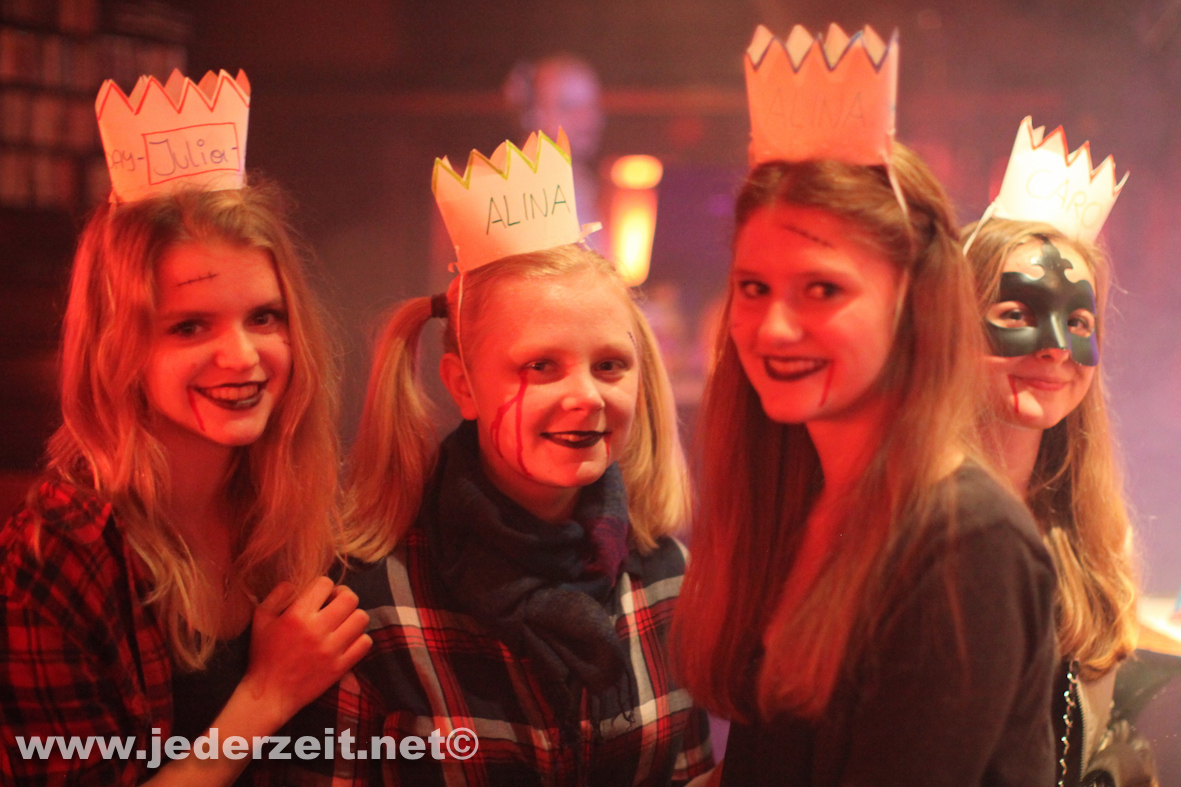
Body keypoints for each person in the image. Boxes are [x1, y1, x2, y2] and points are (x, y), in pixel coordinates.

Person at [672, 138, 1060, 783]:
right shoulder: (801, 503)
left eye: (822, 289)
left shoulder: (968, 545)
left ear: (915, 302)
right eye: (754, 287)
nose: (772, 327)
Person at [274, 238, 713, 786]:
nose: (587, 396)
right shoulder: (370, 605)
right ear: (464, 386)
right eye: (541, 365)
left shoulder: (668, 576)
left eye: (609, 365)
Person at [0, 183, 372, 785]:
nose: (242, 356)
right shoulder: (63, 549)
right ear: (115, 348)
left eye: (264, 317)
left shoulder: (298, 508)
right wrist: (265, 697)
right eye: (191, 326)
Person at [964, 217, 1145, 786]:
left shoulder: (1093, 540)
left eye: (1077, 321)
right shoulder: (915, 531)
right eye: (1017, 314)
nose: (1056, 348)